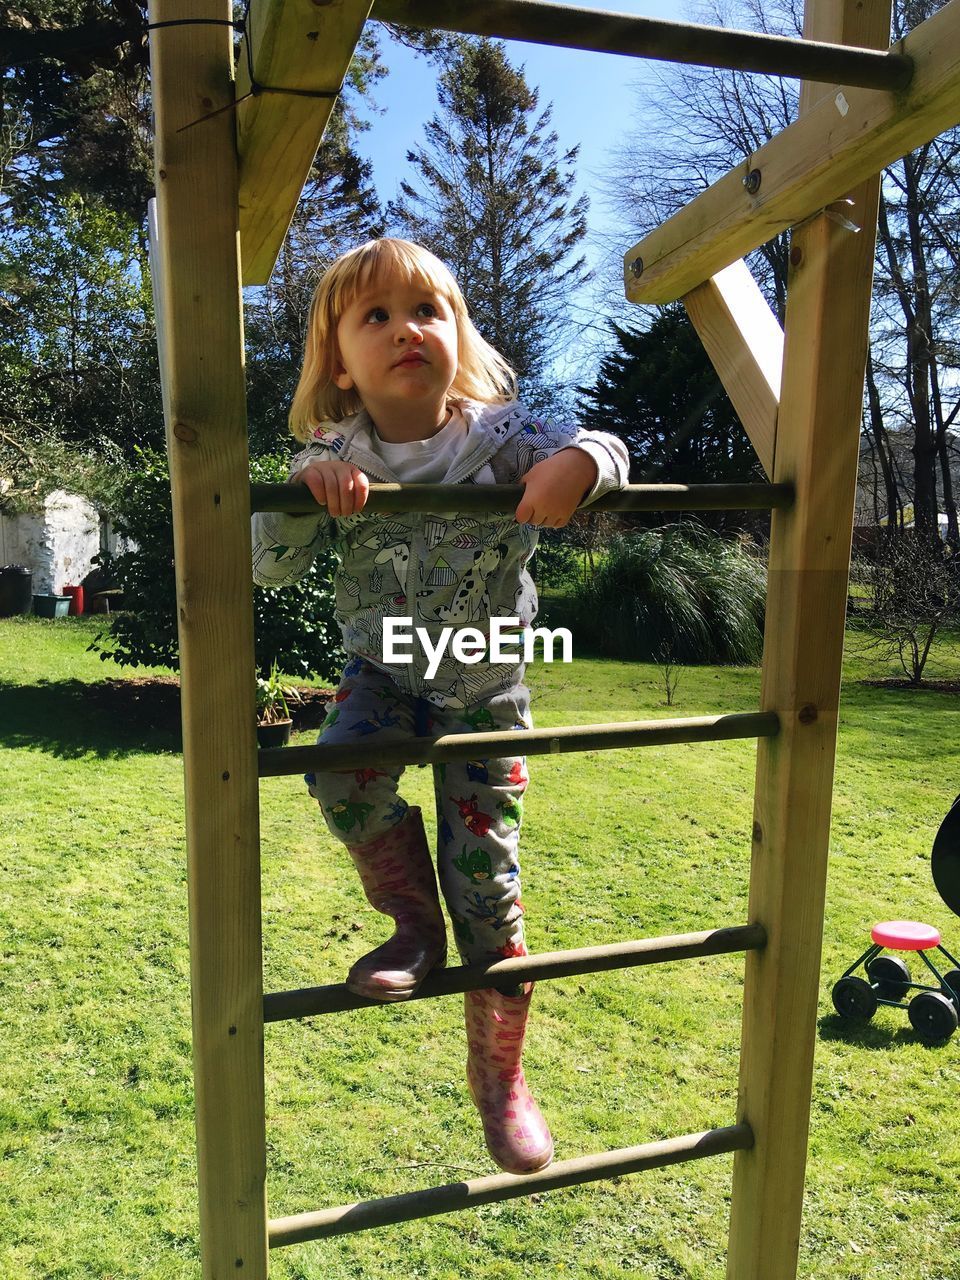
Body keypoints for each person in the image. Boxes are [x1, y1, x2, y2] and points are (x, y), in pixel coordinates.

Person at [252, 238, 628, 1174]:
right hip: (382, 674)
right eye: (375, 316)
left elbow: (609, 445)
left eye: (428, 311)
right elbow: (266, 563)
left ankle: (500, 1079)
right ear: (341, 359)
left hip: (486, 676)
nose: (405, 330)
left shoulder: (507, 435)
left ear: (459, 334)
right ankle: (411, 922)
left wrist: (575, 466)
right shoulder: (335, 452)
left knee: (492, 895)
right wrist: (302, 496)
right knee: (340, 777)